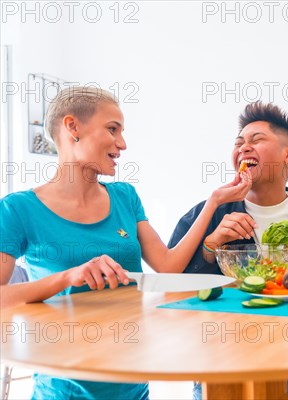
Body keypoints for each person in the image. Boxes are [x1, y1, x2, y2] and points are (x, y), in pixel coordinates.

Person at [0, 87, 251, 400]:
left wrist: (213, 201)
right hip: (63, 390)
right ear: (72, 127)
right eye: (112, 129)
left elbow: (168, 267)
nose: (122, 144)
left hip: (133, 385)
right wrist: (67, 277)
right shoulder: (17, 209)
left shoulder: (125, 197)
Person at [168, 101, 288, 400]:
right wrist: (210, 247)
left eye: (257, 140)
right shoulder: (203, 216)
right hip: (216, 365)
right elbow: (171, 286)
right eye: (239, 143)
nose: (244, 148)